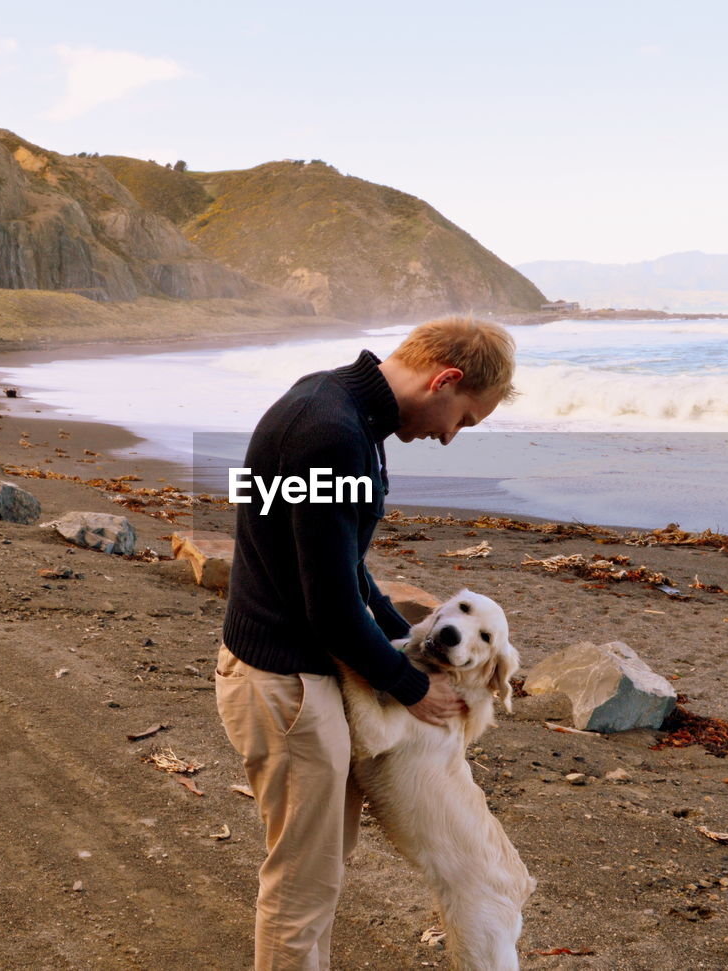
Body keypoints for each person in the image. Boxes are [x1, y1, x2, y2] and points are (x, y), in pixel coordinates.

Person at [215, 316, 517, 970]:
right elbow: (328, 607)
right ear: (446, 379)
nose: (449, 437)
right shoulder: (331, 433)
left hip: (292, 671)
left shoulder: (336, 408)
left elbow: (347, 571)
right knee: (302, 887)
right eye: (464, 419)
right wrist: (411, 686)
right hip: (287, 681)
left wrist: (401, 638)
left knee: (314, 875)